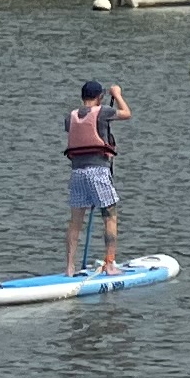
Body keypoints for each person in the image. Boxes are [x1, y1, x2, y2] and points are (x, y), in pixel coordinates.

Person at [63, 78, 134, 273]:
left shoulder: (71, 117)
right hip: (98, 172)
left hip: (77, 173)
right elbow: (127, 114)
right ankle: (110, 264)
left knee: (75, 221)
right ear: (100, 98)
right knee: (109, 216)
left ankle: (69, 268)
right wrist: (117, 94)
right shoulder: (103, 111)